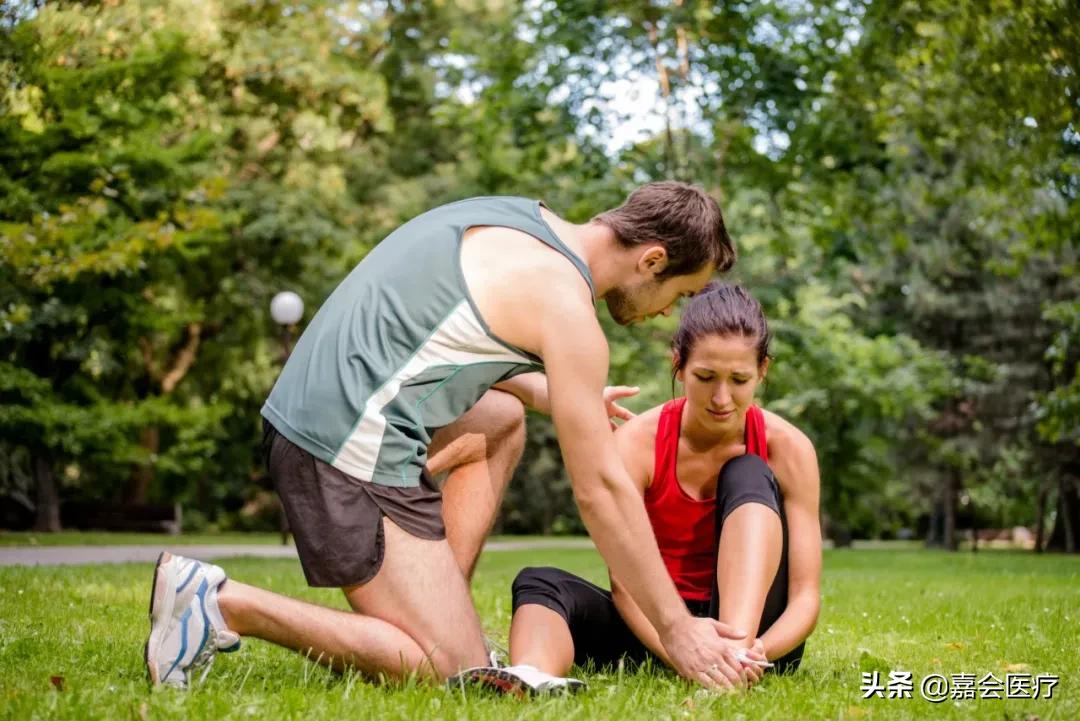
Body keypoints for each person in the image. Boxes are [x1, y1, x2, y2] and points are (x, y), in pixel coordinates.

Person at [144, 182, 751, 691]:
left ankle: (440, 610)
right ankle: (219, 603)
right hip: (340, 447)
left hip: (311, 415)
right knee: (448, 672)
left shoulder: (517, 218)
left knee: (500, 420)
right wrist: (678, 630)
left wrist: (543, 391)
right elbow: (600, 491)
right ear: (651, 261)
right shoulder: (568, 309)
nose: (669, 311)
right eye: (682, 293)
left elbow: (428, 330)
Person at [479, 283, 821, 693]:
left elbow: (804, 596)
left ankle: (732, 656)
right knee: (540, 582)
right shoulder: (636, 444)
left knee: (746, 470)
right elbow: (625, 588)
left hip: (757, 638)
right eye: (705, 376)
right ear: (678, 364)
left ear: (762, 370)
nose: (721, 397)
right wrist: (681, 650)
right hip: (662, 627)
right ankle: (533, 678)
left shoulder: (789, 448)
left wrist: (751, 652)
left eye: (740, 379)